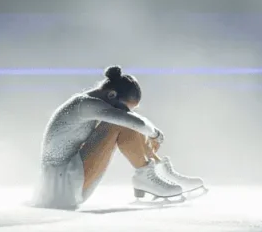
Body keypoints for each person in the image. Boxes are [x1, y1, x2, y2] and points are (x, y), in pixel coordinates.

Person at [32, 65, 205, 210]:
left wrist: (145, 133)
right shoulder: (85, 105)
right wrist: (156, 135)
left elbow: (133, 121)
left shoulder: (90, 104)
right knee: (122, 122)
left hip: (65, 182)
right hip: (62, 188)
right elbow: (131, 121)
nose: (124, 111)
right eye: (124, 107)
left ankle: (158, 172)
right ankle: (145, 177)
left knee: (129, 122)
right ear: (112, 95)